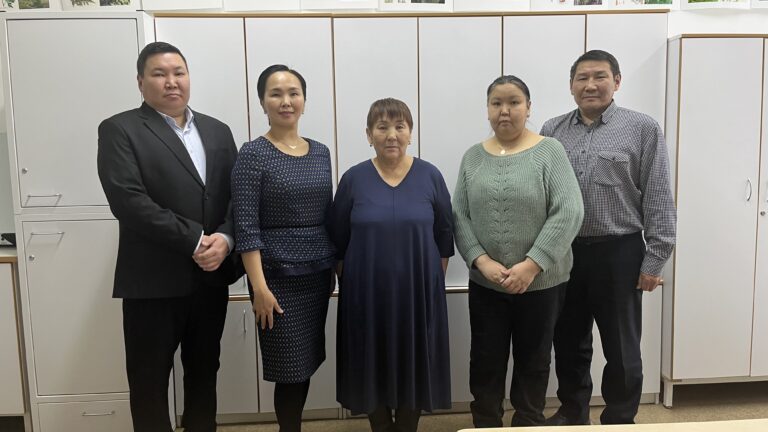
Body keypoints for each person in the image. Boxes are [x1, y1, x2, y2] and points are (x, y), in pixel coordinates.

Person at [97, 42, 242, 432]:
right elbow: (128, 201)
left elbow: (238, 196)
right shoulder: (120, 129)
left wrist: (226, 239)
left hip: (210, 280)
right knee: (149, 383)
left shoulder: (217, 130)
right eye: (159, 74)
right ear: (141, 82)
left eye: (179, 72)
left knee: (204, 374)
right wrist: (196, 241)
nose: (171, 82)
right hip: (152, 283)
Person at [540, 50, 676, 426]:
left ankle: (619, 417)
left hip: (620, 251)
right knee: (568, 340)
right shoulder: (552, 130)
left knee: (621, 345)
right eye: (582, 78)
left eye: (599, 76)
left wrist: (655, 259)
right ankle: (573, 411)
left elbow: (658, 196)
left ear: (616, 82)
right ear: (571, 86)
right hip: (565, 252)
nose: (590, 85)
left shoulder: (642, 128)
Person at [452, 75, 584, 428]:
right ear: (488, 109)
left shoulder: (549, 151)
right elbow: (459, 214)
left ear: (528, 108)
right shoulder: (473, 157)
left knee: (533, 363)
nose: (505, 111)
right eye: (497, 103)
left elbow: (569, 210)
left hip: (540, 285)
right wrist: (481, 260)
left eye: (514, 102)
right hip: (488, 285)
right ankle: (486, 425)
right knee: (485, 362)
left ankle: (527, 424)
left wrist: (532, 264)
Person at [330, 98, 454, 432]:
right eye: (382, 127)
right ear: (368, 134)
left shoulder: (430, 176)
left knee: (415, 363)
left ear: (410, 132)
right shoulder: (354, 179)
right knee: (370, 363)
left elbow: (444, 237)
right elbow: (338, 240)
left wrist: (427, 282)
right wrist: (354, 283)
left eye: (400, 126)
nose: (391, 135)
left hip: (418, 295)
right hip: (366, 295)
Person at [231, 65, 336, 432]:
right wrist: (259, 288)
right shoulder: (253, 154)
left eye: (294, 93)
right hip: (275, 280)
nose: (286, 101)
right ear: (263, 102)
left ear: (304, 100)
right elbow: (246, 227)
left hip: (317, 275)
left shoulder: (320, 152)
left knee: (305, 363)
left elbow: (328, 215)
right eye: (276, 94)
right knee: (288, 369)